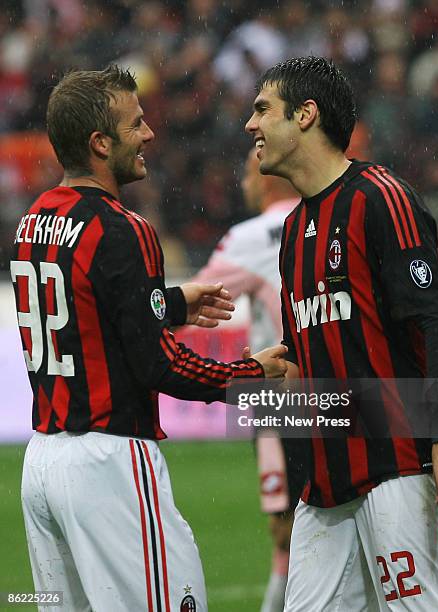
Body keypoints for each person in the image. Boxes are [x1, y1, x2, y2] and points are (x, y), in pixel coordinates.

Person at [10, 65, 288, 612]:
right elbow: (163, 367)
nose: (149, 134)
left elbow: (98, 314)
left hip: (41, 462)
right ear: (99, 142)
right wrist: (252, 373)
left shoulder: (32, 219)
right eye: (135, 124)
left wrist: (174, 301)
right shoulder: (123, 229)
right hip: (109, 463)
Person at [245, 56, 438, 611]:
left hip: (400, 467)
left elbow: (435, 320)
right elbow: (306, 362)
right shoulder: (295, 231)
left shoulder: (379, 197)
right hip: (325, 488)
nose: (251, 125)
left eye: (262, 109)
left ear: (305, 115)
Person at [193, 147, 301, 612]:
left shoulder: (252, 236)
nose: (243, 183)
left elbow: (192, 304)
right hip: (341, 391)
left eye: (246, 174)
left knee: (286, 528)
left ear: (266, 179)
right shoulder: (328, 217)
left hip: (280, 395)